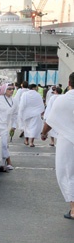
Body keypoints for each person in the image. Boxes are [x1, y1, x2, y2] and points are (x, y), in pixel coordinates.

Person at [41, 72, 74, 220]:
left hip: (67, 141)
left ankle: (73, 209)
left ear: (69, 82)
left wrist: (43, 133)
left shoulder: (62, 100)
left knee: (68, 173)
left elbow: (50, 120)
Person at [0, 83, 18, 172]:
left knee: (4, 144)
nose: (11, 91)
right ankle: (4, 163)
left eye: (13, 89)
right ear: (4, 90)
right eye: (9, 89)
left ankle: (5, 163)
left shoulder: (15, 101)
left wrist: (13, 126)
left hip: (5, 126)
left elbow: (15, 114)